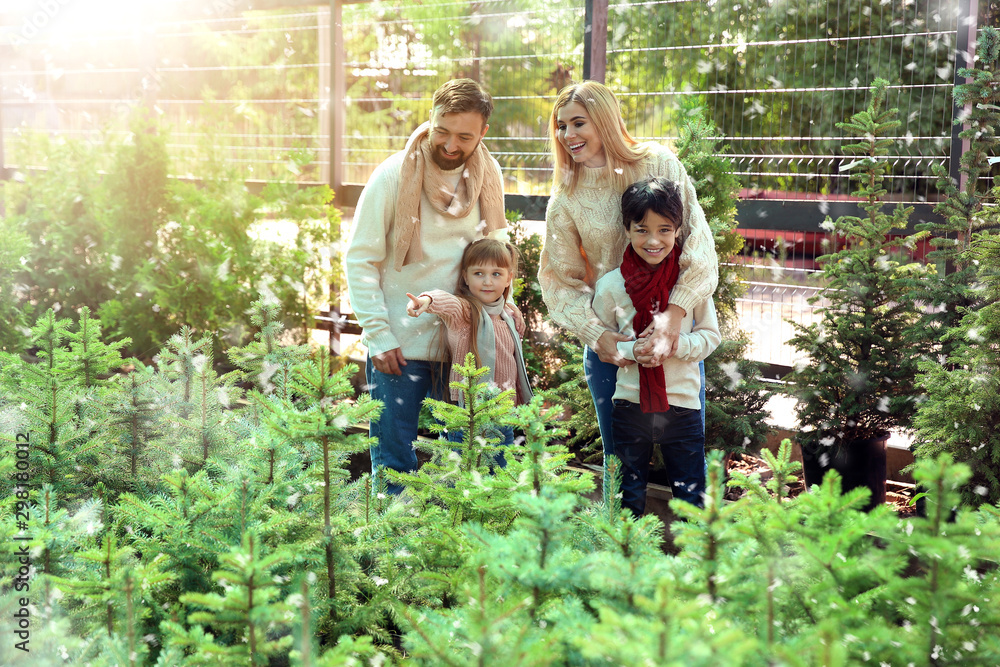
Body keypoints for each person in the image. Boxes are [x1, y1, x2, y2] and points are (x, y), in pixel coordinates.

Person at [538, 80, 718, 470]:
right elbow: (558, 282)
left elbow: (699, 245)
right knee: (620, 469)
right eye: (561, 125)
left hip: (675, 341)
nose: (568, 135)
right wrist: (596, 336)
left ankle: (694, 532)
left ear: (604, 120)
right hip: (613, 350)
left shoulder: (658, 164)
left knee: (687, 467)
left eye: (578, 123)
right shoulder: (566, 197)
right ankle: (619, 533)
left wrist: (676, 313)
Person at [345, 79, 508, 493]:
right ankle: (389, 553)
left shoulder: (490, 178)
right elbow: (360, 259)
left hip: (465, 347)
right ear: (430, 118)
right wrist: (378, 335)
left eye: (464, 136)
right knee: (395, 462)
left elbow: (496, 257)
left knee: (465, 466)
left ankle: (449, 552)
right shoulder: (392, 176)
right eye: (442, 131)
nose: (450, 145)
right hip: (399, 349)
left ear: (483, 132)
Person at [591, 176, 721, 515]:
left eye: (664, 230)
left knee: (690, 494)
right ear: (627, 229)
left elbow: (710, 336)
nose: (653, 240)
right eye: (642, 229)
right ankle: (627, 561)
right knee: (627, 495)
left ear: (678, 229)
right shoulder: (611, 286)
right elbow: (600, 343)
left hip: (682, 406)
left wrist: (674, 345)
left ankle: (690, 563)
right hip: (630, 405)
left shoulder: (690, 282)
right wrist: (634, 351)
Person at [405, 238, 532, 463]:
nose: (487, 282)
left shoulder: (509, 316)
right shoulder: (465, 312)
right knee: (463, 475)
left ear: (508, 278)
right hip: (467, 414)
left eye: (496, 274)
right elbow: (448, 302)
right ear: (465, 276)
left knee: (499, 474)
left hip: (503, 413)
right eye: (478, 273)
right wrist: (427, 300)